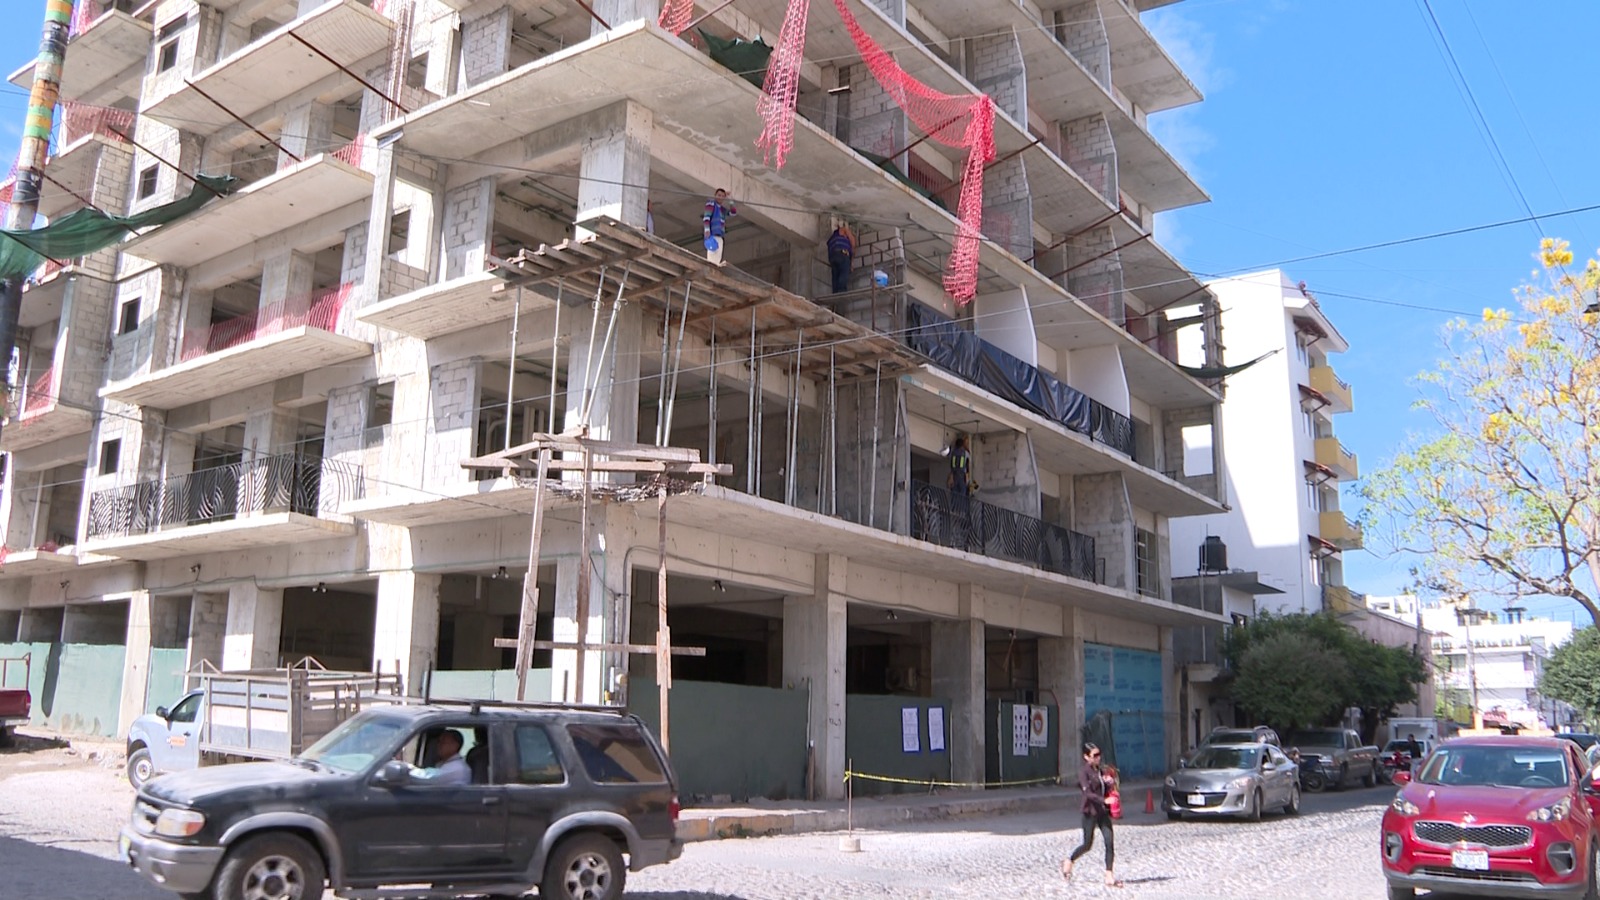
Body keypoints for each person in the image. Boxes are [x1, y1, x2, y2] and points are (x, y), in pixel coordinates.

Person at [1063, 742, 1122, 887]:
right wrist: (1104, 800)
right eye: (1094, 755)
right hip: (1090, 812)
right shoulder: (1084, 772)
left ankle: (1109, 874)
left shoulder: (1101, 770)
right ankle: (1069, 860)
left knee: (1109, 841)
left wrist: (1110, 782)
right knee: (1087, 845)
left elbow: (1104, 786)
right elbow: (1088, 793)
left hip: (1103, 812)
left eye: (1099, 754)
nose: (1098, 758)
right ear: (1086, 757)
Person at [703, 188, 737, 264]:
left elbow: (733, 213)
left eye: (722, 196)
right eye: (719, 195)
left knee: (717, 259)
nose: (720, 197)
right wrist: (707, 231)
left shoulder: (722, 210)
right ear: (715, 195)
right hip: (712, 235)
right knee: (712, 258)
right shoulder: (711, 204)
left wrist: (730, 200)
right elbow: (706, 218)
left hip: (720, 236)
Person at [827, 222, 855, 293]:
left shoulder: (832, 239)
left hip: (833, 258)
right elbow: (853, 242)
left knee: (835, 276)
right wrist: (852, 260)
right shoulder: (844, 230)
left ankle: (835, 293)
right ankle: (841, 292)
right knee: (843, 273)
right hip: (842, 254)